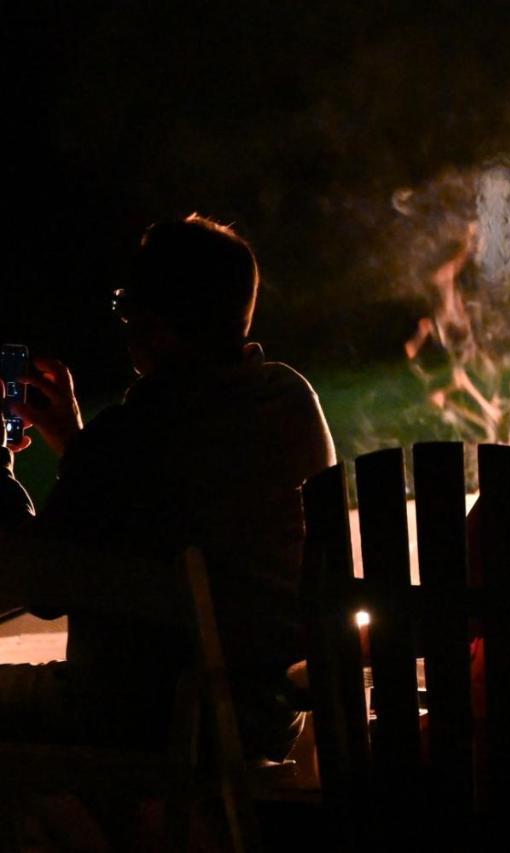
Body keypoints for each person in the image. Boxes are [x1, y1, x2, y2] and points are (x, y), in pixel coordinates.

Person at [0, 214, 336, 761]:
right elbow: (161, 488)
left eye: (125, 308)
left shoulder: (133, 434)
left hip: (143, 717)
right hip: (265, 716)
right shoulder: (289, 400)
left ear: (153, 324)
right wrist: (79, 444)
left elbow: (35, 584)